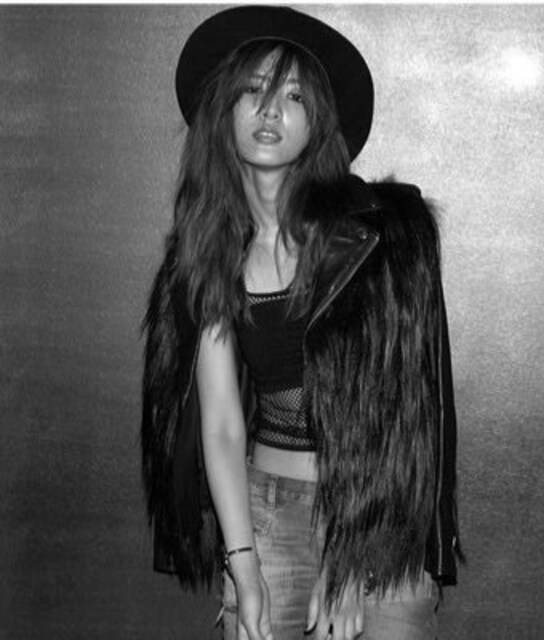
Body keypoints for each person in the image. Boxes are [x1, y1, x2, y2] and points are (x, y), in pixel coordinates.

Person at [141, 6, 461, 640]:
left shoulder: (383, 236)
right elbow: (221, 423)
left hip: (379, 519)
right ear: (223, 110)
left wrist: (353, 551)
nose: (270, 111)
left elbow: (406, 410)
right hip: (264, 515)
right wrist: (242, 566)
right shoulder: (209, 249)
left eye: (293, 96)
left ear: (319, 124)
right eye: (253, 91)